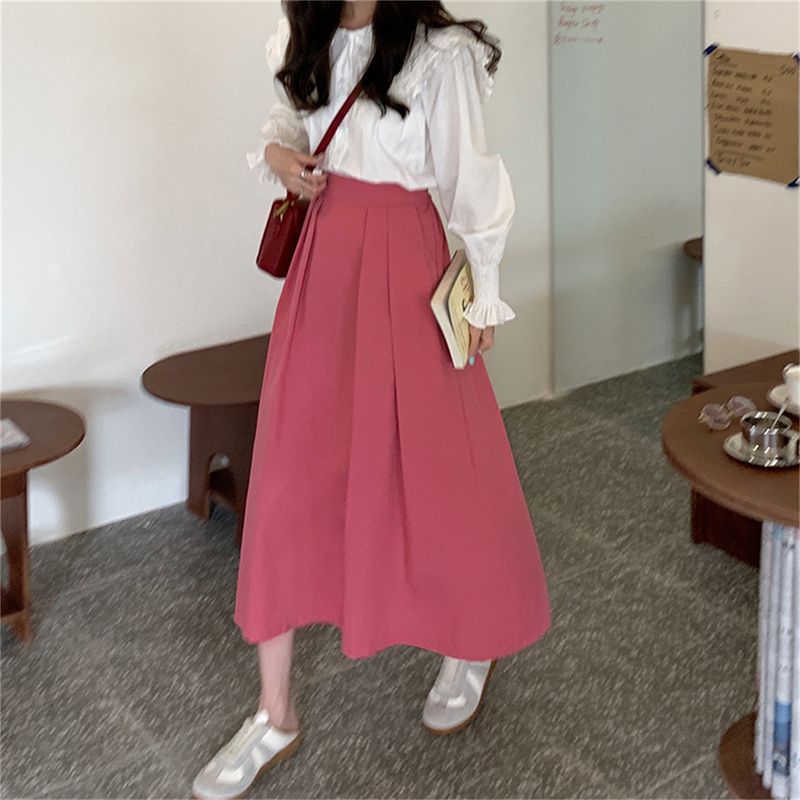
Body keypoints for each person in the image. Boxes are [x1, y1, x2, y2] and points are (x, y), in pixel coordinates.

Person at [193, 2, 550, 797]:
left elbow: (469, 176)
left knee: (441, 468)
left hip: (407, 264)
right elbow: (287, 119)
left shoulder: (439, 51)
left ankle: (472, 639)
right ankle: (274, 712)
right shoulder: (305, 29)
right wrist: (279, 156)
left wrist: (485, 286)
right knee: (289, 479)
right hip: (324, 266)